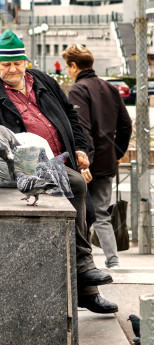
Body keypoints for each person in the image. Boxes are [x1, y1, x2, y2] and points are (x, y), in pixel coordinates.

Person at [0, 30, 118, 314]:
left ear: (25, 60)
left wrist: (80, 148)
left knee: (83, 213)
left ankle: (86, 287)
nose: (12, 69)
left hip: (63, 157)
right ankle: (85, 272)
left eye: (17, 63)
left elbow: (70, 114)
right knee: (76, 188)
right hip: (26, 163)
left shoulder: (43, 80)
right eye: (5, 64)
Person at [63, 44, 132, 269]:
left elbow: (82, 129)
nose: (67, 71)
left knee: (81, 214)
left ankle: (84, 263)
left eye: (67, 66)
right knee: (102, 213)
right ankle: (113, 261)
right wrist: (117, 152)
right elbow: (125, 125)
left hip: (88, 164)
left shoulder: (78, 90)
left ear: (74, 66)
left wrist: (85, 162)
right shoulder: (110, 88)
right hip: (107, 162)